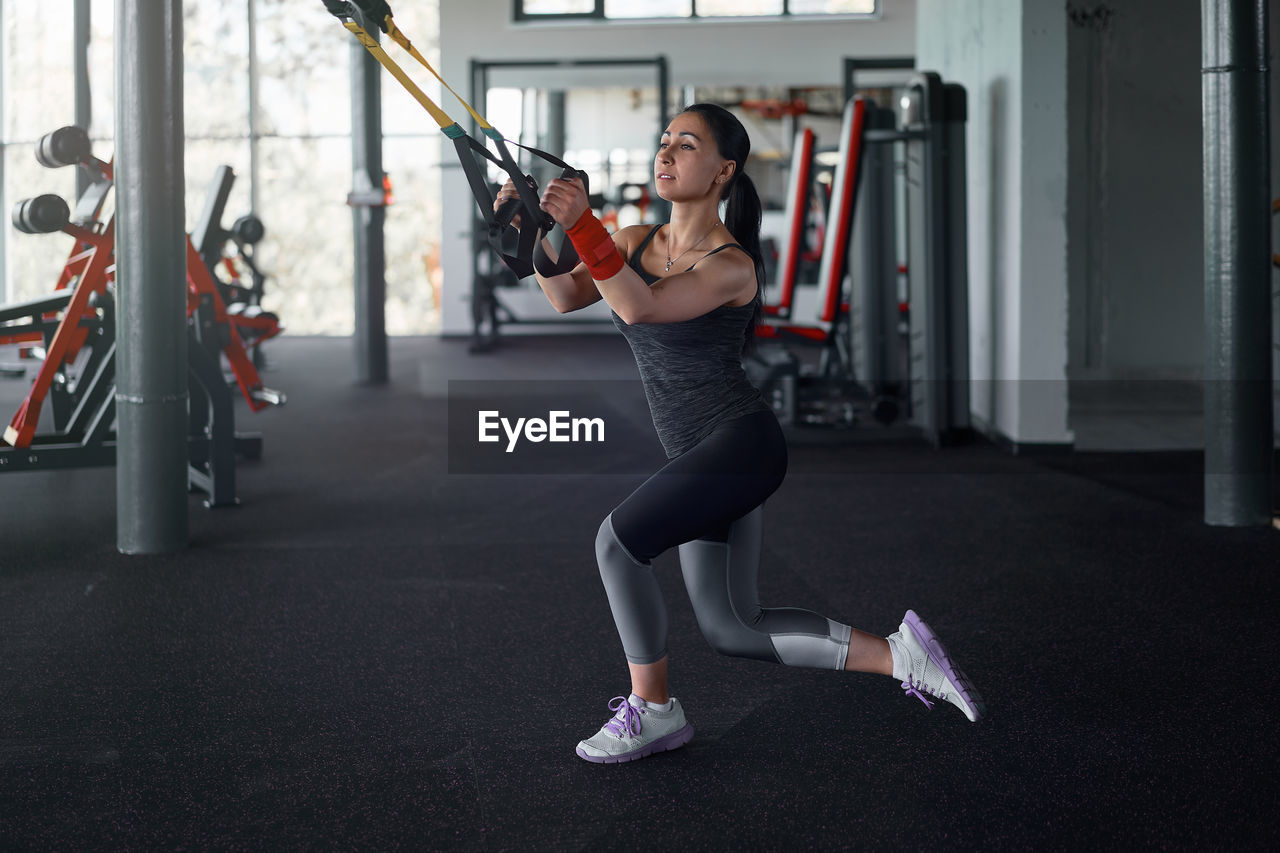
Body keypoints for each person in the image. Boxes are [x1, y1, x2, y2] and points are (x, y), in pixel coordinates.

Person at [494, 103, 985, 765]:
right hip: (701, 453)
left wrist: (581, 222)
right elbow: (562, 294)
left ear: (724, 170)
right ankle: (901, 654)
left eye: (686, 144)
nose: (666, 152)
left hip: (740, 445)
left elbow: (642, 306)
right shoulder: (636, 237)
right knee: (733, 625)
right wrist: (525, 229)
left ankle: (656, 708)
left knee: (617, 543)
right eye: (664, 140)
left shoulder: (732, 265)